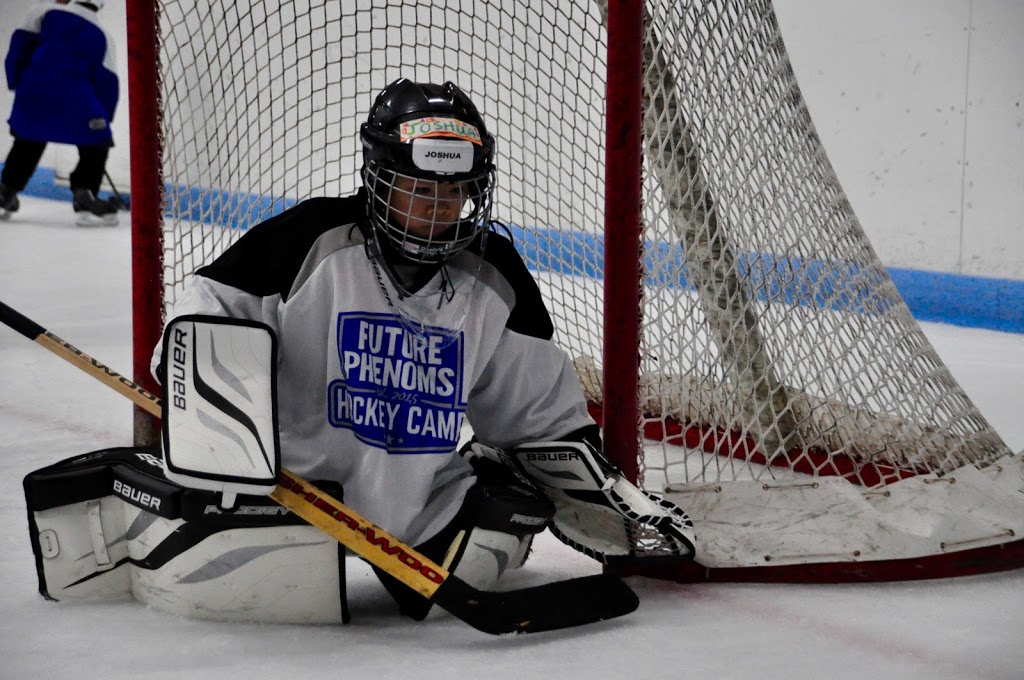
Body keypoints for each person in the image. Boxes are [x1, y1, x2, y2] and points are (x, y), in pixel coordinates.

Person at [143, 78, 695, 622]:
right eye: (421, 189)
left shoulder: (495, 275)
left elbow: (536, 413)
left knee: (496, 544)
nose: (438, 208)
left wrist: (594, 488)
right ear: (380, 178)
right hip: (291, 492)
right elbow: (199, 336)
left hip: (421, 498)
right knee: (249, 587)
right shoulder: (307, 240)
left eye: (453, 192)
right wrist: (216, 420)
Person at [0, 0, 119, 226]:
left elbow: (20, 46)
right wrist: (104, 119)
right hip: (77, 100)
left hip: (33, 92)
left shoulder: (43, 12)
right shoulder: (104, 36)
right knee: (97, 144)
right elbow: (108, 83)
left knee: (29, 138)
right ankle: (85, 195)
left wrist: (16, 80)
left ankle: (6, 192)